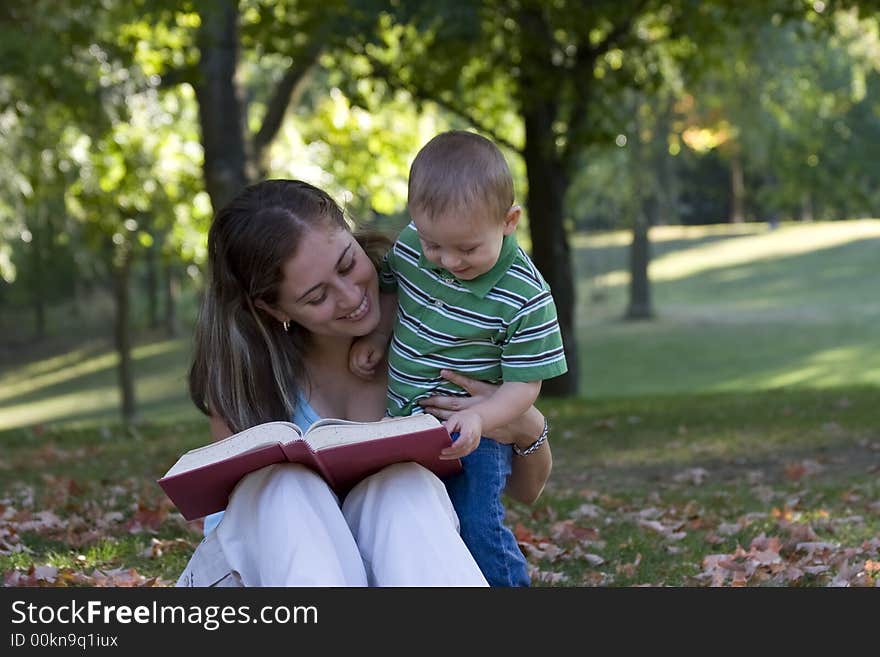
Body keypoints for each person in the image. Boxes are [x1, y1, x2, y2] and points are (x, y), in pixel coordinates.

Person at [177, 178, 552, 587]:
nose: (351, 296)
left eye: (347, 264)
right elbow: (241, 531)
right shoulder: (250, 379)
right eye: (317, 297)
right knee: (282, 486)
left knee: (401, 484)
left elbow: (525, 491)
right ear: (272, 307)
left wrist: (526, 424)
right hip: (267, 571)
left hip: (395, 568)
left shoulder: (431, 337)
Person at [349, 130, 567, 586]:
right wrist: (380, 336)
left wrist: (483, 419)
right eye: (435, 246)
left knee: (475, 521)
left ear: (509, 221)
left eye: (467, 249)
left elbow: (525, 387)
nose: (447, 261)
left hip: (476, 432)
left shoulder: (526, 297)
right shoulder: (411, 246)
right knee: (417, 520)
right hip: (404, 420)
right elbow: (392, 290)